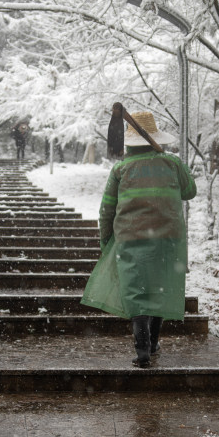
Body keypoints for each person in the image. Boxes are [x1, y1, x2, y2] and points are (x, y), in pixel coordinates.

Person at [81, 111, 197, 367]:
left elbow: (107, 209)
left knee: (137, 291)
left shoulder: (121, 168)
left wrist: (106, 239)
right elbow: (190, 191)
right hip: (169, 239)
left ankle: (143, 349)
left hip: (131, 238)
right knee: (160, 288)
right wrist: (175, 166)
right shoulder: (172, 163)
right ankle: (153, 343)